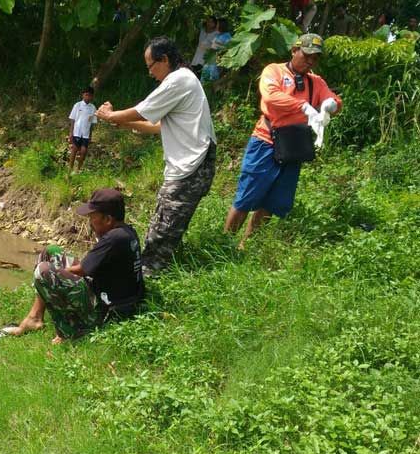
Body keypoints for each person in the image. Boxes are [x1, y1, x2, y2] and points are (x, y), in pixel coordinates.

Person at [96, 36, 217, 276]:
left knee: (163, 230)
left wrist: (111, 116)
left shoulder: (178, 80)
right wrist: (122, 122)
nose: (150, 73)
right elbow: (159, 125)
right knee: (164, 223)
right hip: (188, 166)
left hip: (191, 167)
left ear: (164, 59)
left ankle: (149, 282)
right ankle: (152, 273)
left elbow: (142, 111)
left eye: (151, 66)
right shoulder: (183, 81)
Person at [223, 34, 342, 249]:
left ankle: (247, 246)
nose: (310, 62)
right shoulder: (274, 71)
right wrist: (303, 106)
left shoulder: (316, 81)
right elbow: (271, 97)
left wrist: (328, 106)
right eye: (307, 55)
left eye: (315, 58)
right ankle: (224, 243)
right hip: (266, 139)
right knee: (247, 195)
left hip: (294, 145)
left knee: (274, 200)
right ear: (295, 50)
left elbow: (332, 99)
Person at [0, 189, 144, 344]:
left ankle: (70, 331)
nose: (90, 222)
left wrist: (55, 276)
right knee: (50, 252)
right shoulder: (126, 232)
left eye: (92, 217)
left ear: (107, 219)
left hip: (107, 310)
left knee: (44, 272)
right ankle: (35, 317)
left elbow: (81, 270)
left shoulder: (113, 239)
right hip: (111, 294)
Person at [68, 87, 98, 173]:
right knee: (74, 149)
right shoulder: (77, 105)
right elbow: (73, 119)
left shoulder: (93, 108)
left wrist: (90, 135)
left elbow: (92, 123)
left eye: (90, 95)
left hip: (86, 134)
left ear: (92, 96)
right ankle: (70, 169)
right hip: (77, 132)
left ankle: (78, 169)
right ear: (83, 95)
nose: (88, 97)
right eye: (86, 95)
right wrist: (71, 133)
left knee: (84, 151)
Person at [201, 18, 232, 82]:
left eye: (217, 24)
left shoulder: (226, 36)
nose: (216, 25)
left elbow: (215, 48)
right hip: (210, 64)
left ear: (221, 25)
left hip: (215, 66)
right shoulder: (219, 35)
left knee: (210, 83)